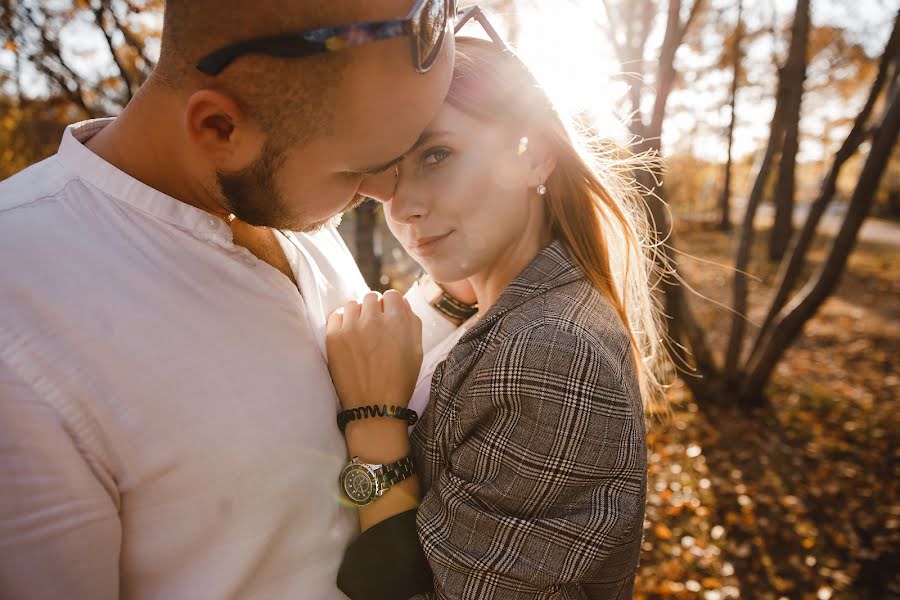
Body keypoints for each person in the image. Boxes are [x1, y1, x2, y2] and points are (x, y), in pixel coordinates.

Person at [0, 1, 470, 598]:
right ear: (219, 127)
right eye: (359, 167)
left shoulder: (289, 211)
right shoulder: (18, 314)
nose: (384, 191)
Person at [326, 12, 666, 600]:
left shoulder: (552, 355)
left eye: (437, 155)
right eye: (389, 176)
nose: (403, 206)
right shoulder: (485, 308)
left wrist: (375, 418)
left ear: (533, 155)